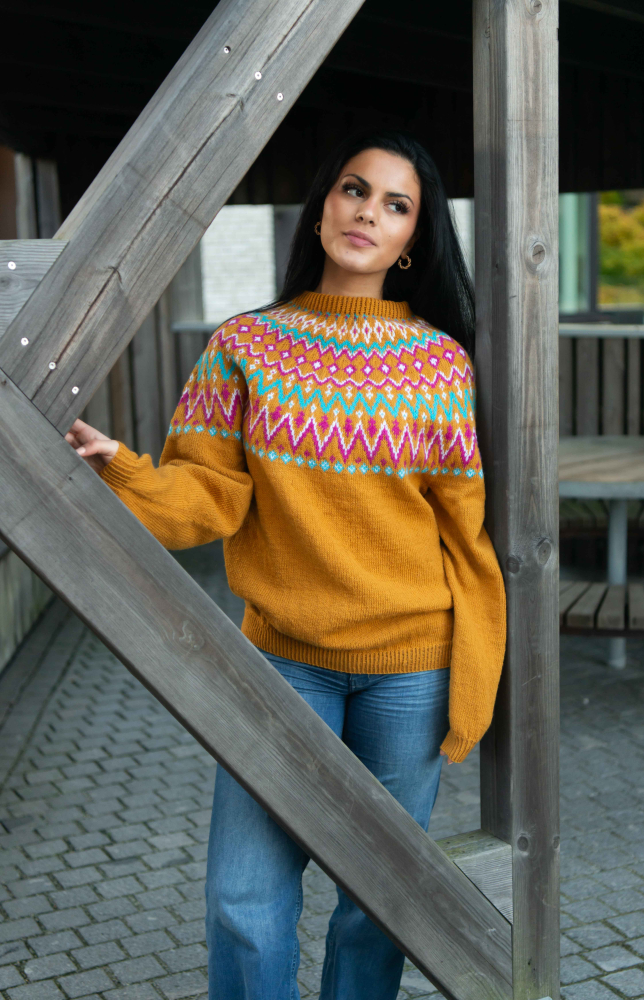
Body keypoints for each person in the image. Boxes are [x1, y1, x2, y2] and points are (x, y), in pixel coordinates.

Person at [66, 129, 506, 1000]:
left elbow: (464, 532)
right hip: (280, 662)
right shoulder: (245, 345)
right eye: (354, 189)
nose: (367, 213)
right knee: (242, 898)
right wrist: (124, 468)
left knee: (378, 903)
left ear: (410, 240)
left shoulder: (440, 364)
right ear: (321, 210)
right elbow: (207, 495)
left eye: (395, 205)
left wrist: (475, 667)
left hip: (409, 668)